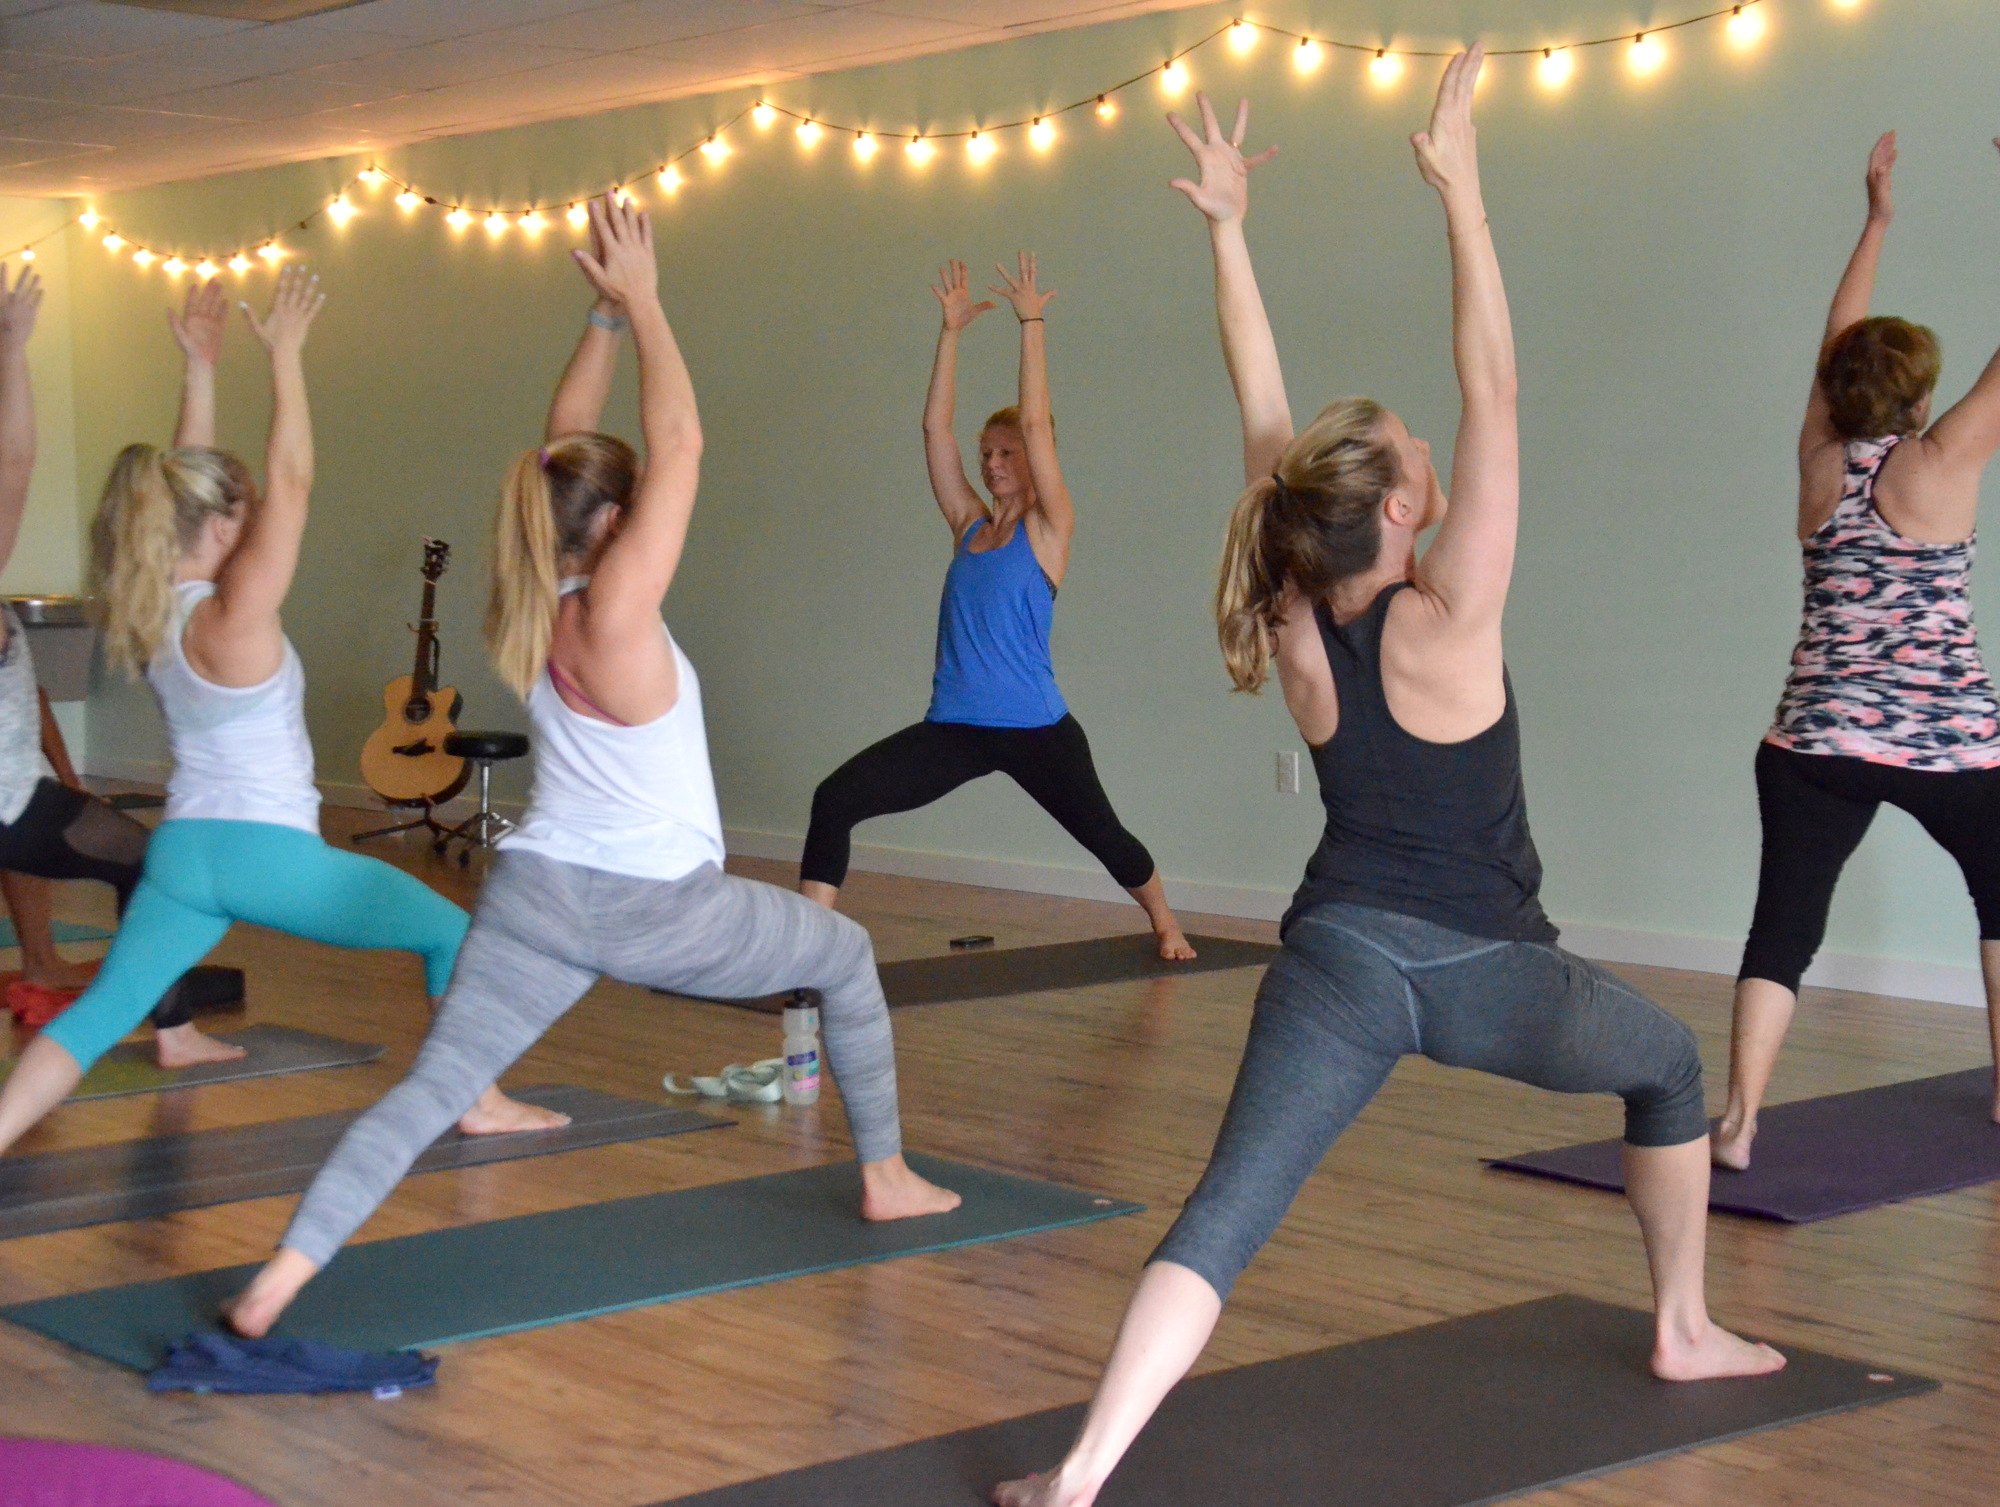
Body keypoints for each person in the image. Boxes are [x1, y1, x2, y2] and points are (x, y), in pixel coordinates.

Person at [995, 55, 1784, 1507]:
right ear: (1407, 504)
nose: (1431, 434)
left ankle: (1082, 1476)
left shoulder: (1298, 607)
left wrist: (1229, 230)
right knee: (1670, 1066)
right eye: (1412, 445)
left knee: (1225, 1216)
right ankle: (1681, 1325)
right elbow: (1495, 376)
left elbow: (1261, 401)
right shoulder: (1448, 613)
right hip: (1492, 970)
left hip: (1340, 958)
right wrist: (1459, 185)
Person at [223, 195, 960, 1337]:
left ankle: (281, 1275)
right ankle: (886, 1175)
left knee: (427, 1094)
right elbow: (683, 446)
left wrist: (605, 316)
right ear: (614, 519)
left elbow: (558, 443)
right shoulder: (617, 609)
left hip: (536, 892)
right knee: (847, 955)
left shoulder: (533, 598)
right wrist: (651, 302)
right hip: (656, 906)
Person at [0, 266, 558, 1155]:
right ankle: (477, 1097)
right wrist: (288, 359)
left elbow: (197, 491)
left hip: (186, 856)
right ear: (223, 530)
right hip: (269, 855)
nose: (257, 519)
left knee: (104, 1014)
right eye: (241, 515)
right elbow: (291, 481)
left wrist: (202, 369)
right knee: (457, 931)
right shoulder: (234, 620)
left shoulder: (153, 613)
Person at [1715, 134, 2000, 1169]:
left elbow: (1833, 345)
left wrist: (1874, 219)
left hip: (1810, 738)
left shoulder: (1817, 458)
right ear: (1919, 399)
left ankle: (1739, 1121)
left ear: (1837, 393)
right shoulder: (1940, 459)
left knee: (1780, 929)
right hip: (1948, 742)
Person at [799, 254, 1194, 961]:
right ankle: (803, 947)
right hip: (956, 728)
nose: (991, 463)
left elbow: (1039, 423)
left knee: (1104, 834)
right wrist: (949, 332)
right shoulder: (969, 527)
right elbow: (933, 432)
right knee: (835, 798)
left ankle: (1166, 921)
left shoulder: (1050, 530)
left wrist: (1030, 323)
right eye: (987, 453)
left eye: (1005, 452)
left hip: (1036, 728)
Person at [0, 268, 241, 1068]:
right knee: (148, 863)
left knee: (132, 853)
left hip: (21, 801)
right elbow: (17, 467)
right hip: (11, 806)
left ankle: (165, 1026)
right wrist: (12, 349)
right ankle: (173, 1034)